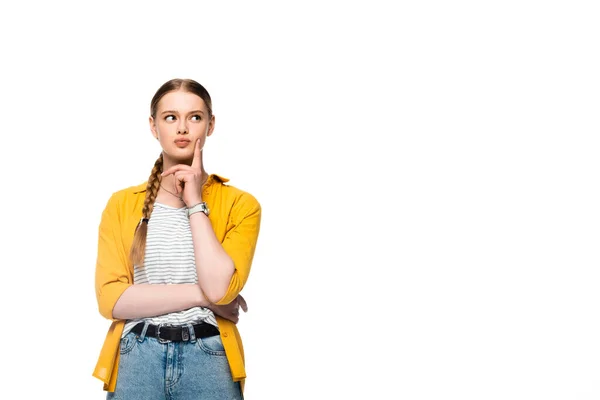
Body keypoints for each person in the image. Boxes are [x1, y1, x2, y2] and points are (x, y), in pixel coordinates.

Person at [92, 78, 261, 399]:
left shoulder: (241, 204)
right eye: (170, 117)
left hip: (209, 355)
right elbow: (111, 301)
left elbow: (221, 289)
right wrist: (204, 298)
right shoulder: (122, 204)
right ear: (154, 127)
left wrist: (196, 203)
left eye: (195, 117)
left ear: (210, 126)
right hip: (136, 354)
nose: (182, 128)